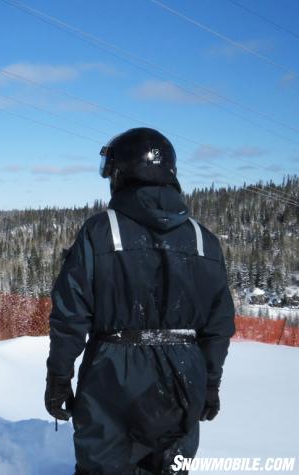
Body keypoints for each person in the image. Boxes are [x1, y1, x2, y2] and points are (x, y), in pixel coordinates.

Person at [44, 128, 236, 474]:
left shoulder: (101, 231)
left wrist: (59, 378)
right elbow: (218, 326)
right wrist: (208, 383)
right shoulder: (204, 240)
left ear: (122, 173)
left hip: (113, 375)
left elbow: (70, 315)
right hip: (183, 375)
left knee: (103, 466)